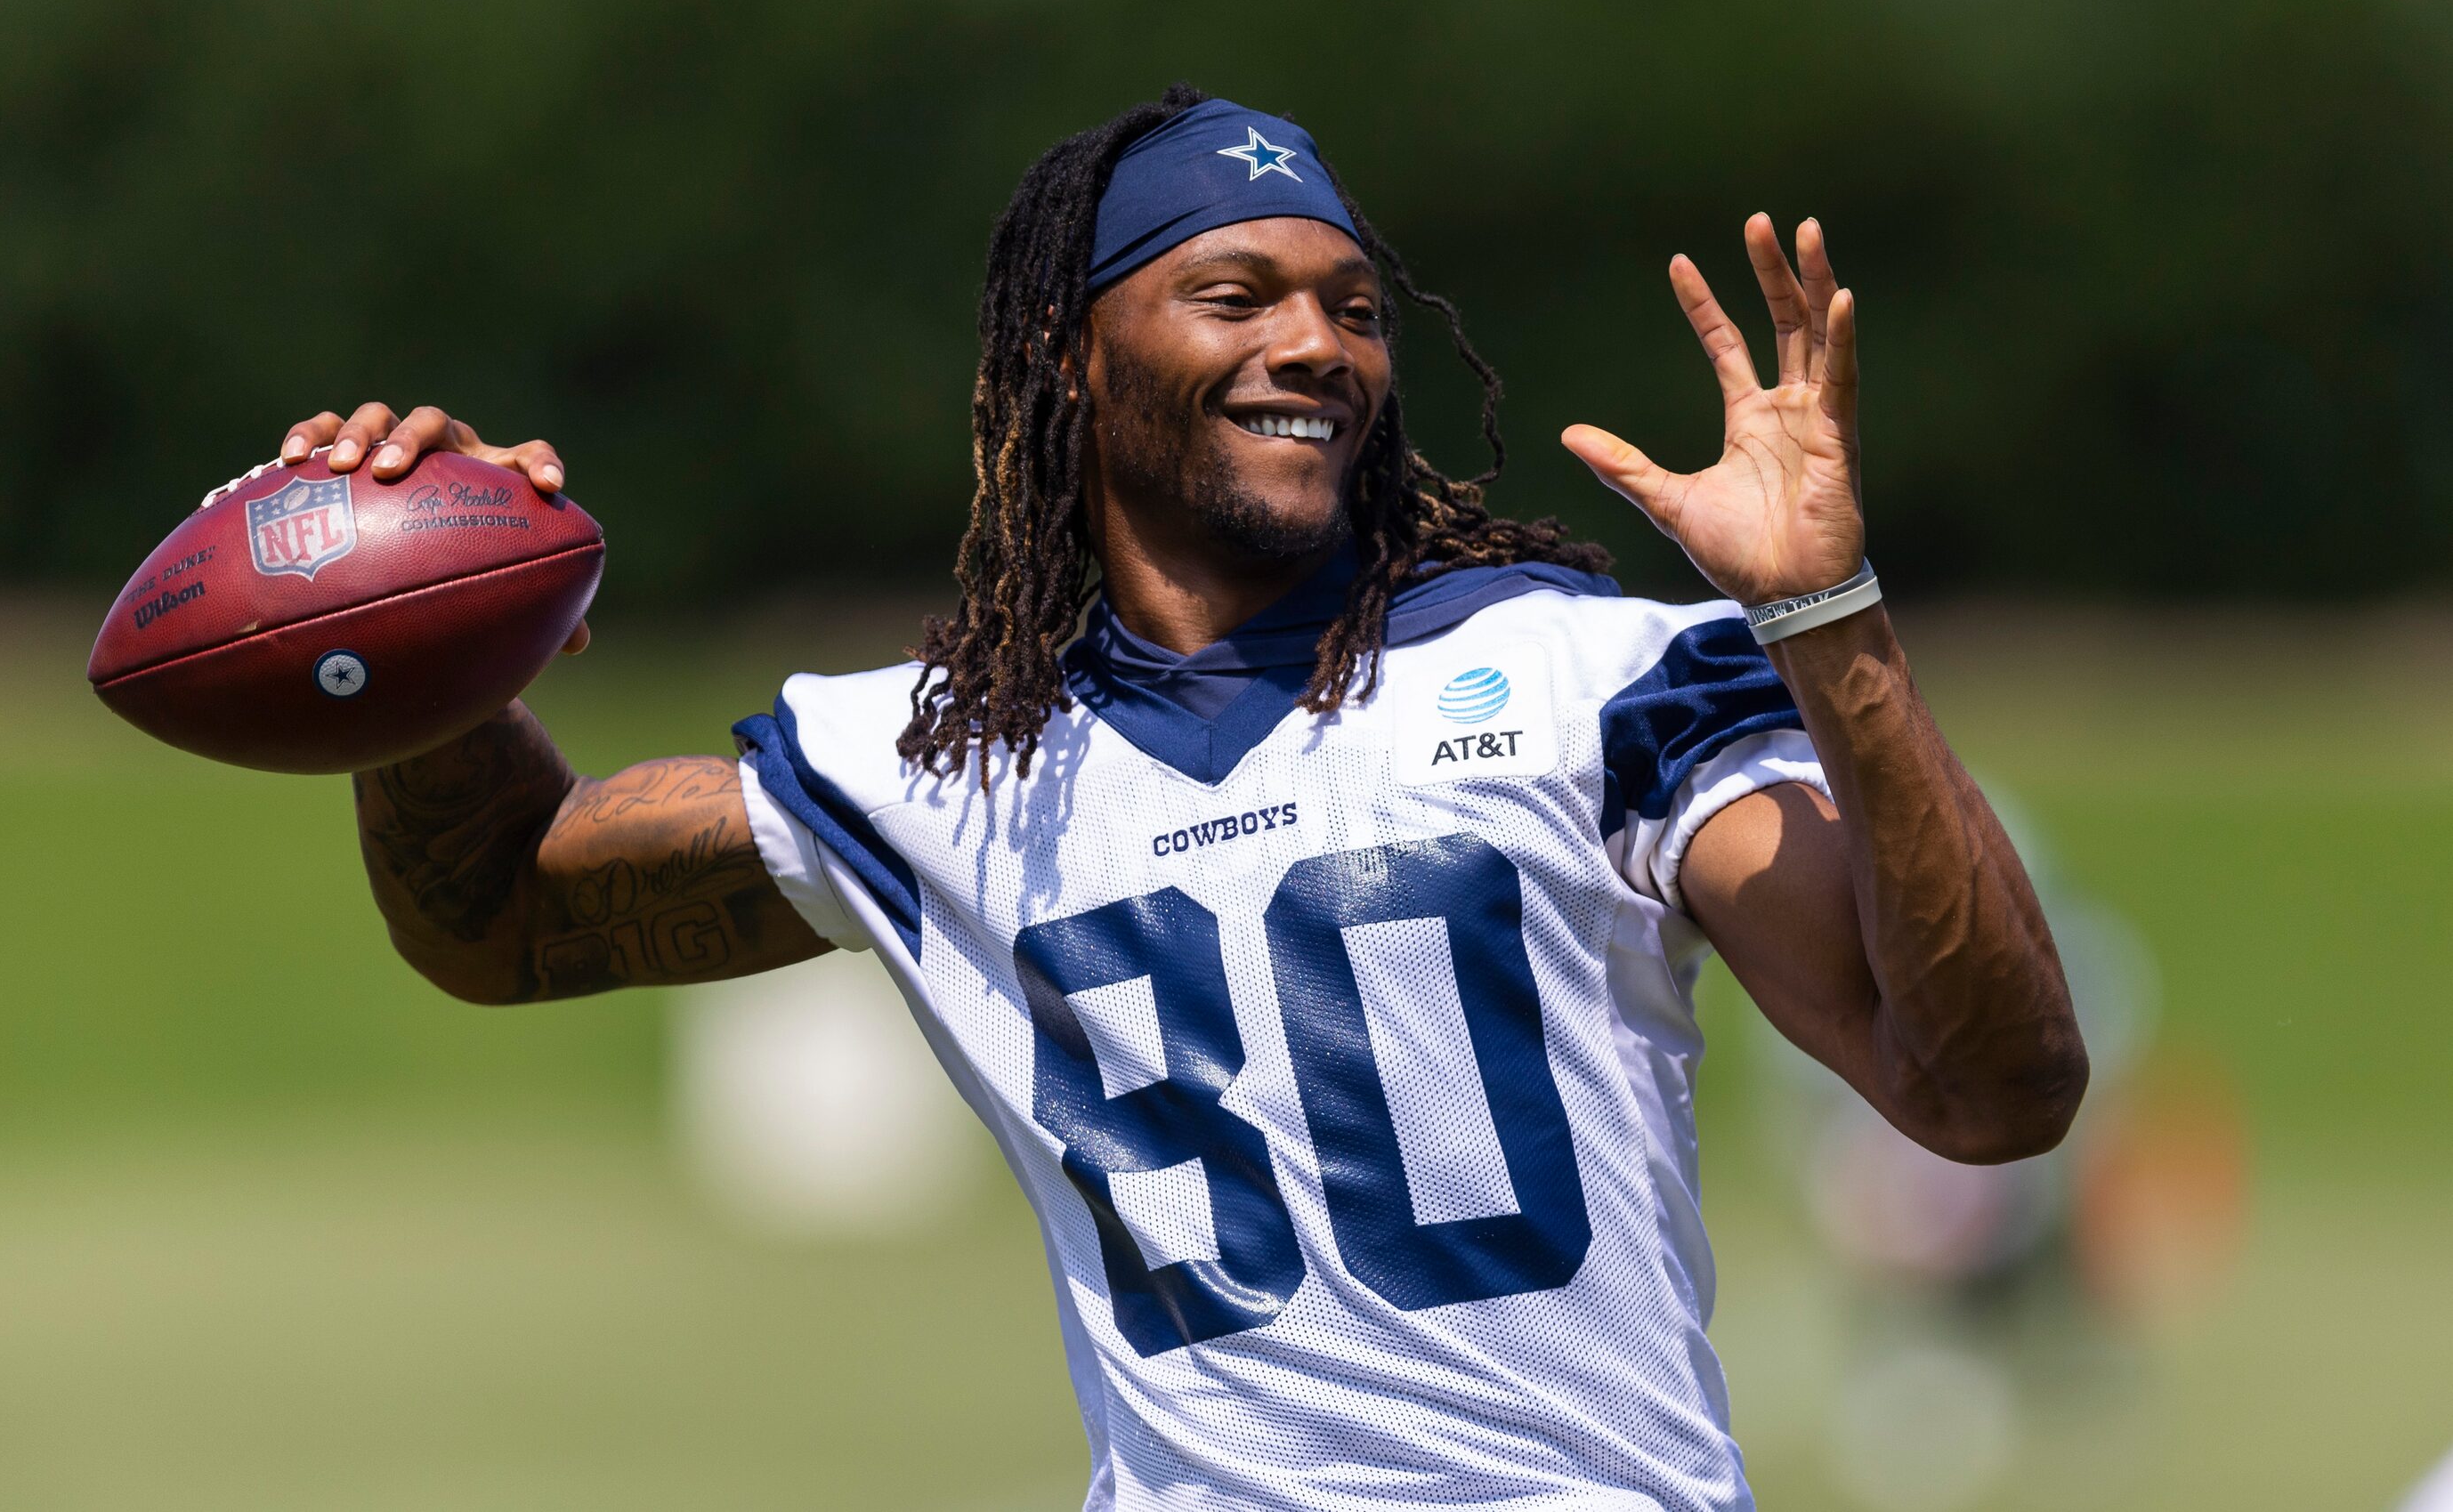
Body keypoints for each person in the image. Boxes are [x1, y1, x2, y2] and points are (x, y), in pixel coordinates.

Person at [278, 88, 2087, 1509]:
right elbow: (502, 915)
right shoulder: (946, 763)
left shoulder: (1585, 679)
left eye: (1354, 308)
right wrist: (409, 621)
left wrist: (1825, 620)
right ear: (1072, 357)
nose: (1317, 343)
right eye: (1234, 294)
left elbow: (1988, 1091)